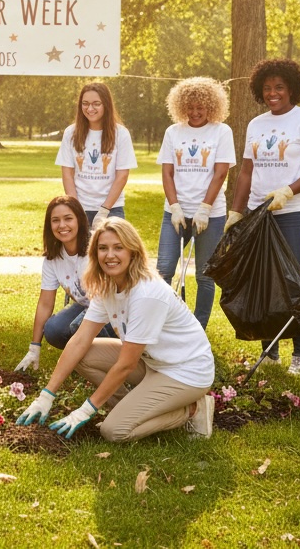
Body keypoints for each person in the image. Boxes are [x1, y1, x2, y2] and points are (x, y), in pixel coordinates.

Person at [16, 218, 215, 442]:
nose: (110, 255)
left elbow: (126, 364)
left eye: (118, 247)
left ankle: (191, 410)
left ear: (133, 251)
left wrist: (86, 410)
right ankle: (131, 408)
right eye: (103, 248)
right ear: (94, 254)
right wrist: (46, 394)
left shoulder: (146, 294)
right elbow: (79, 340)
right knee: (82, 355)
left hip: (186, 373)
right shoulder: (108, 286)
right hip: (154, 362)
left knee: (114, 431)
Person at [227, 58, 300, 374]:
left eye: (279, 87)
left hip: (294, 214)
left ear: (292, 89)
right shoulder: (256, 125)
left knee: (293, 283)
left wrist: (287, 191)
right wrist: (236, 211)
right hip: (260, 215)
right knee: (264, 281)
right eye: (267, 88)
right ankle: (268, 349)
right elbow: (246, 172)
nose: (273, 93)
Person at [154, 77, 235, 328]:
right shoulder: (173, 132)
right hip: (175, 213)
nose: (195, 112)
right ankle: (160, 323)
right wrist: (175, 207)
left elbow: (221, 173)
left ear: (211, 106)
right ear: (181, 106)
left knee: (204, 275)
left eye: (201, 107)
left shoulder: (222, 131)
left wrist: (204, 209)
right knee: (164, 270)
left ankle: (197, 328)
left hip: (210, 215)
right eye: (190, 107)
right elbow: (167, 173)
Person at [15, 196, 117, 372]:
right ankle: (90, 357)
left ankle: (114, 362)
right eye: (56, 220)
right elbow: (46, 303)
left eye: (68, 218)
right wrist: (34, 346)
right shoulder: (53, 258)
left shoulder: (97, 245)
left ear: (79, 219)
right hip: (87, 305)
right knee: (54, 329)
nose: (62, 225)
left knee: (78, 325)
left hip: (115, 306)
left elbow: (110, 295)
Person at [55, 82, 138, 228]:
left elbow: (122, 176)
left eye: (96, 104)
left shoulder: (121, 134)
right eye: (85, 104)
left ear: (106, 105)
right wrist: (76, 209)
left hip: (112, 209)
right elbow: (67, 174)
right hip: (80, 207)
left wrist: (104, 210)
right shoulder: (70, 133)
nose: (90, 108)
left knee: (110, 250)